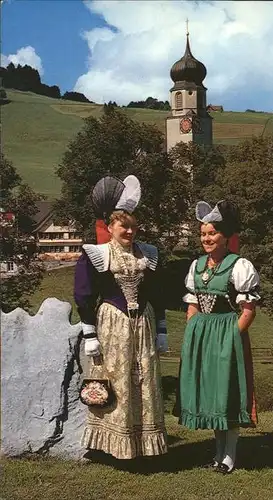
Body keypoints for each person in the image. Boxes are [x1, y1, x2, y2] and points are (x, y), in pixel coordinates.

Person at [74, 175, 168, 460]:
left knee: (143, 382)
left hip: (143, 323)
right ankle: (111, 446)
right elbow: (84, 294)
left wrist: (161, 328)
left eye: (132, 226)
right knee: (113, 380)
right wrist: (89, 333)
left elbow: (157, 292)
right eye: (123, 225)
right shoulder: (96, 254)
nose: (129, 231)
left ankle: (142, 445)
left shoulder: (148, 254)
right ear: (110, 226)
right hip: (113, 325)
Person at [178, 199, 260, 474]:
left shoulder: (239, 265)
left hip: (227, 336)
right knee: (212, 395)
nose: (206, 238)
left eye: (212, 233)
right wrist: (193, 331)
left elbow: (248, 310)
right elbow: (192, 304)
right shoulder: (198, 265)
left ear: (225, 236)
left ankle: (230, 456)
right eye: (203, 234)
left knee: (227, 394)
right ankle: (217, 453)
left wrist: (231, 337)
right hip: (202, 336)